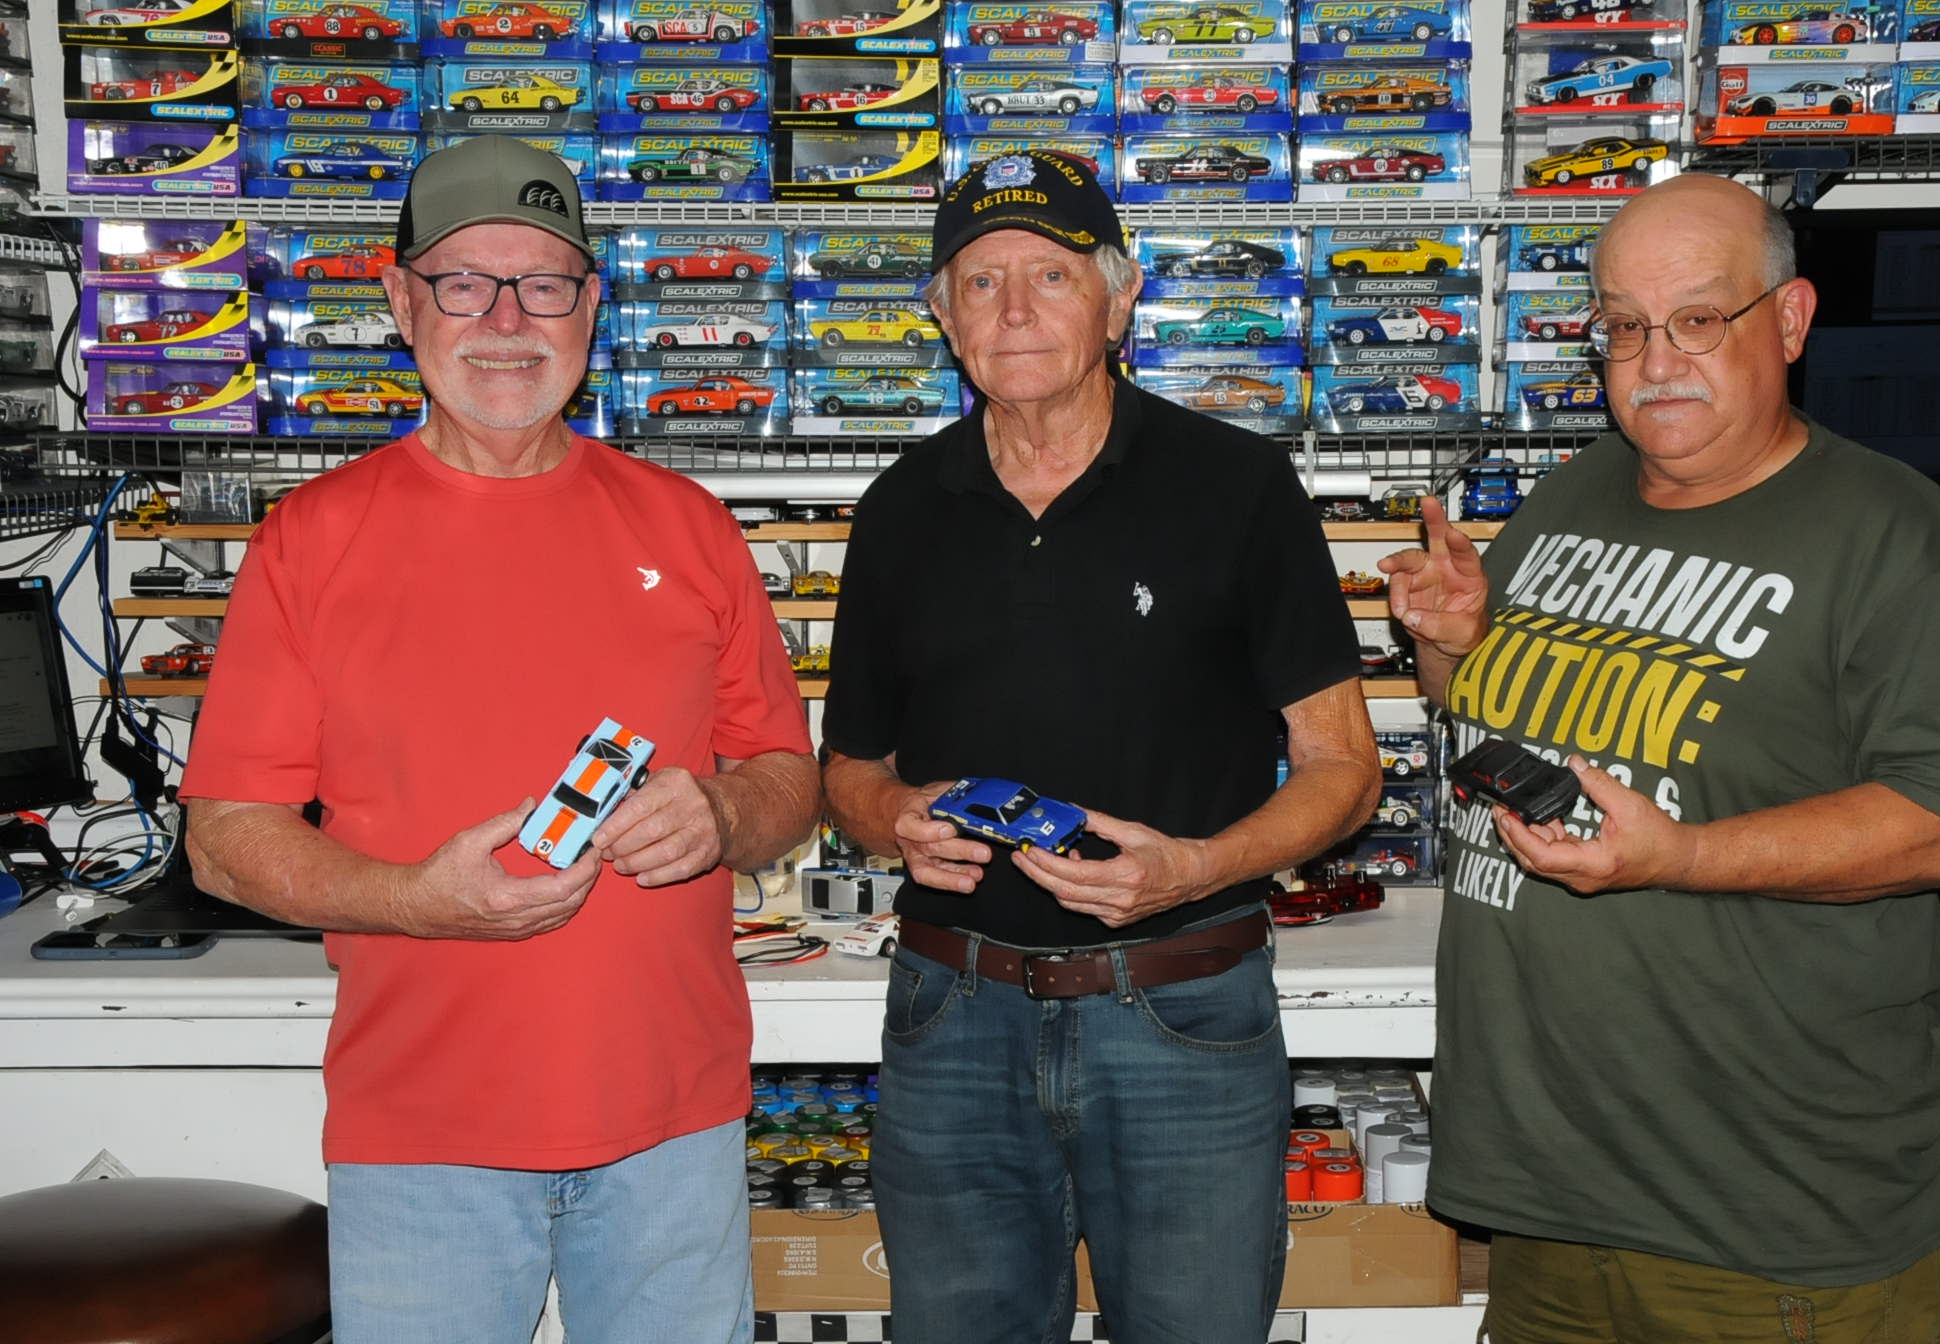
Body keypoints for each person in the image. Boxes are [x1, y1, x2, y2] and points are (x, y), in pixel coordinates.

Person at [180, 136, 819, 1344]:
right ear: (400, 299)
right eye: (465, 281)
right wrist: (416, 899)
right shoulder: (309, 541)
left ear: (592, 304)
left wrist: (725, 813)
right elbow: (223, 839)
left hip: (673, 1125)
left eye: (544, 283)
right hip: (423, 1137)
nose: (507, 320)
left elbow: (787, 775)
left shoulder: (689, 527)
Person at [1382, 174, 1940, 1343]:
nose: (1654, 360)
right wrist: (1453, 647)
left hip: (1768, 1213)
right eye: (1623, 325)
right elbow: (1495, 726)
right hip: (1555, 1194)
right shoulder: (1571, 494)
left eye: (1696, 319)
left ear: (1789, 319)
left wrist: (1681, 854)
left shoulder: (1887, 527)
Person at [819, 150, 1382, 1343]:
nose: (1013, 310)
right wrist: (892, 816)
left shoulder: (1237, 486)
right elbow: (849, 770)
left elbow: (1343, 770)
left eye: (1050, 276)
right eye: (980, 282)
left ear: (1118, 302)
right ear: (943, 317)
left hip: (1181, 1012)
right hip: (951, 1016)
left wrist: (1191, 866)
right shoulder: (899, 509)